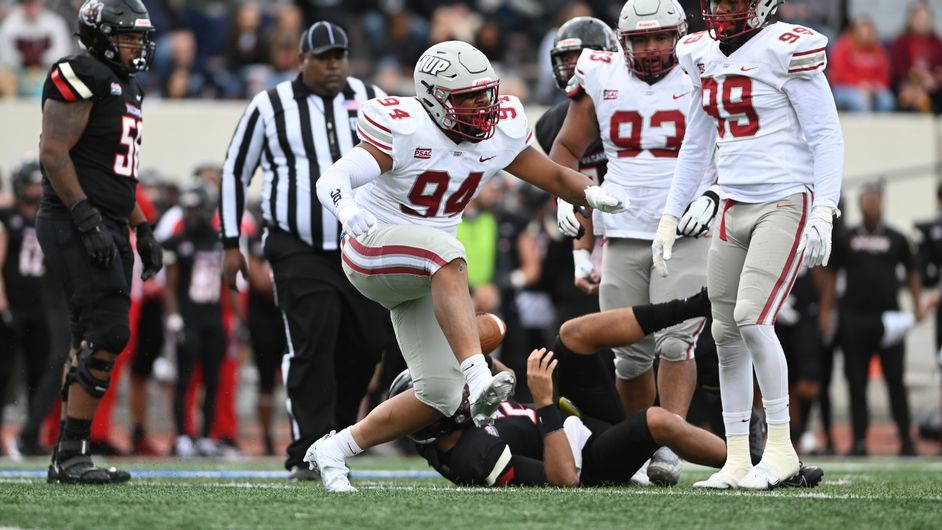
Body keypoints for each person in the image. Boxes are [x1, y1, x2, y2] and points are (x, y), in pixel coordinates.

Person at [304, 40, 628, 493]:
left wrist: (589, 193)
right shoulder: (406, 127)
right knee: (448, 252)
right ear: (434, 99)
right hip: (372, 249)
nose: (482, 106)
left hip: (425, 272)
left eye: (485, 93)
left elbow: (554, 175)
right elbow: (332, 178)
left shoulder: (498, 131)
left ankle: (334, 449)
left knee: (437, 394)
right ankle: (478, 378)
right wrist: (346, 209)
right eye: (468, 98)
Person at [652, 0, 843, 489]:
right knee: (723, 331)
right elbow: (696, 143)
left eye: (734, 1)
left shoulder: (786, 47)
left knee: (752, 318)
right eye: (718, 1)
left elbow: (826, 135)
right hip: (732, 204)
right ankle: (737, 456)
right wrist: (672, 212)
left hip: (784, 199)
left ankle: (780, 449)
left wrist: (825, 209)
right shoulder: (699, 52)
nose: (723, 10)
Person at [394, 289, 822, 488]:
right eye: (448, 393)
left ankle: (694, 306)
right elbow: (565, 480)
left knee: (572, 335)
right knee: (656, 421)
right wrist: (544, 404)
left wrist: (481, 355)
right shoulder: (473, 458)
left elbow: (496, 370)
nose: (459, 391)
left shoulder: (458, 421)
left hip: (574, 422)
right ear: (437, 419)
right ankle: (758, 462)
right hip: (588, 459)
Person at [550, 0, 717, 486]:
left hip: (684, 228)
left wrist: (713, 193)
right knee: (629, 354)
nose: (651, 48)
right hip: (622, 229)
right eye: (641, 39)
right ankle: (641, 447)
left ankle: (670, 439)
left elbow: (733, 142)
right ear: (622, 42)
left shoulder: (703, 67)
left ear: (680, 35)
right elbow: (566, 147)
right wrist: (566, 196)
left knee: (677, 341)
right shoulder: (600, 74)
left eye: (661, 37)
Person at [219, 21, 391, 479]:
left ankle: (335, 438)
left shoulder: (372, 98)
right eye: (323, 57)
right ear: (301, 60)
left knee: (366, 346)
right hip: (297, 245)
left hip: (360, 243)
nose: (334, 65)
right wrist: (231, 242)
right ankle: (306, 451)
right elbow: (236, 171)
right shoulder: (270, 105)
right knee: (312, 341)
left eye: (340, 56)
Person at [36, 0, 163, 484]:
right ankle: (72, 452)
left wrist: (142, 226)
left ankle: (69, 454)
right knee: (107, 331)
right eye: (128, 36)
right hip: (75, 219)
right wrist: (86, 218)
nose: (138, 45)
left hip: (107, 218)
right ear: (100, 36)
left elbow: (115, 174)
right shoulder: (80, 71)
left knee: (92, 334)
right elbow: (53, 152)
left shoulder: (128, 86)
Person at [820, 184, 924, 456]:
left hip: (890, 320)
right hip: (854, 319)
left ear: (882, 204)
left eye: (875, 201)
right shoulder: (846, 238)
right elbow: (831, 275)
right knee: (856, 381)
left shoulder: (897, 238)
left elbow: (912, 271)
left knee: (895, 380)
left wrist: (917, 306)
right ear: (859, 205)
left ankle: (906, 440)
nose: (871, 206)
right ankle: (859, 441)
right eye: (867, 201)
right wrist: (826, 311)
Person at [162, 186, 227, 457]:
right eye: (187, 209)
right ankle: (182, 436)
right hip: (188, 320)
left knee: (212, 381)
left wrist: (238, 320)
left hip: (213, 318)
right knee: (184, 380)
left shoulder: (221, 241)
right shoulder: (176, 243)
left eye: (196, 209)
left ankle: (206, 437)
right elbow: (170, 284)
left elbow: (229, 282)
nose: (191, 215)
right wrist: (174, 317)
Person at [0, 161, 51, 455]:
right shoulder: (8, 217)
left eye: (37, 184)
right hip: (13, 308)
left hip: (42, 307)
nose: (35, 190)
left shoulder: (49, 217)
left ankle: (32, 437)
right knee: (4, 373)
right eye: (30, 184)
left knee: (39, 373)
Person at [829, 16, 895, 113]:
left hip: (872, 88)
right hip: (845, 88)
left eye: (869, 31)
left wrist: (873, 86)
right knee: (861, 102)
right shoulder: (843, 46)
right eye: (862, 30)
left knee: (887, 100)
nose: (865, 34)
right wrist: (860, 85)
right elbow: (839, 75)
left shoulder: (878, 50)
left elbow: (884, 75)